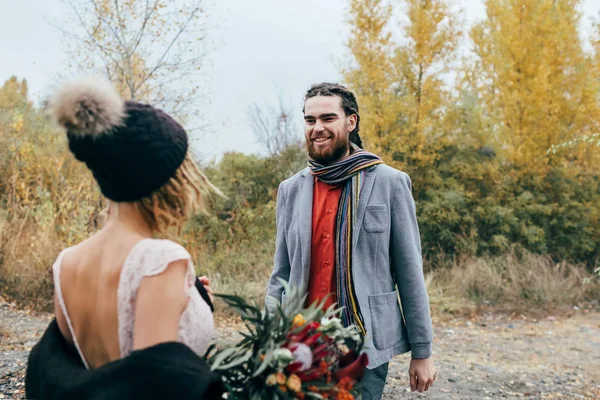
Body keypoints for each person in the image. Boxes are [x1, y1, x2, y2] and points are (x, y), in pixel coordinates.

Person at [25, 76, 223, 399]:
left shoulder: (66, 264)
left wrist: (193, 302)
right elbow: (155, 387)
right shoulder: (160, 260)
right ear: (166, 180)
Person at [266, 83, 437, 399]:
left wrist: (422, 351)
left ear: (351, 121)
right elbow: (281, 274)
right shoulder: (291, 190)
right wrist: (268, 337)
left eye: (328, 118)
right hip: (300, 345)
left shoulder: (390, 183)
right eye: (310, 120)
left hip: (363, 346)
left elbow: (410, 273)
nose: (318, 128)